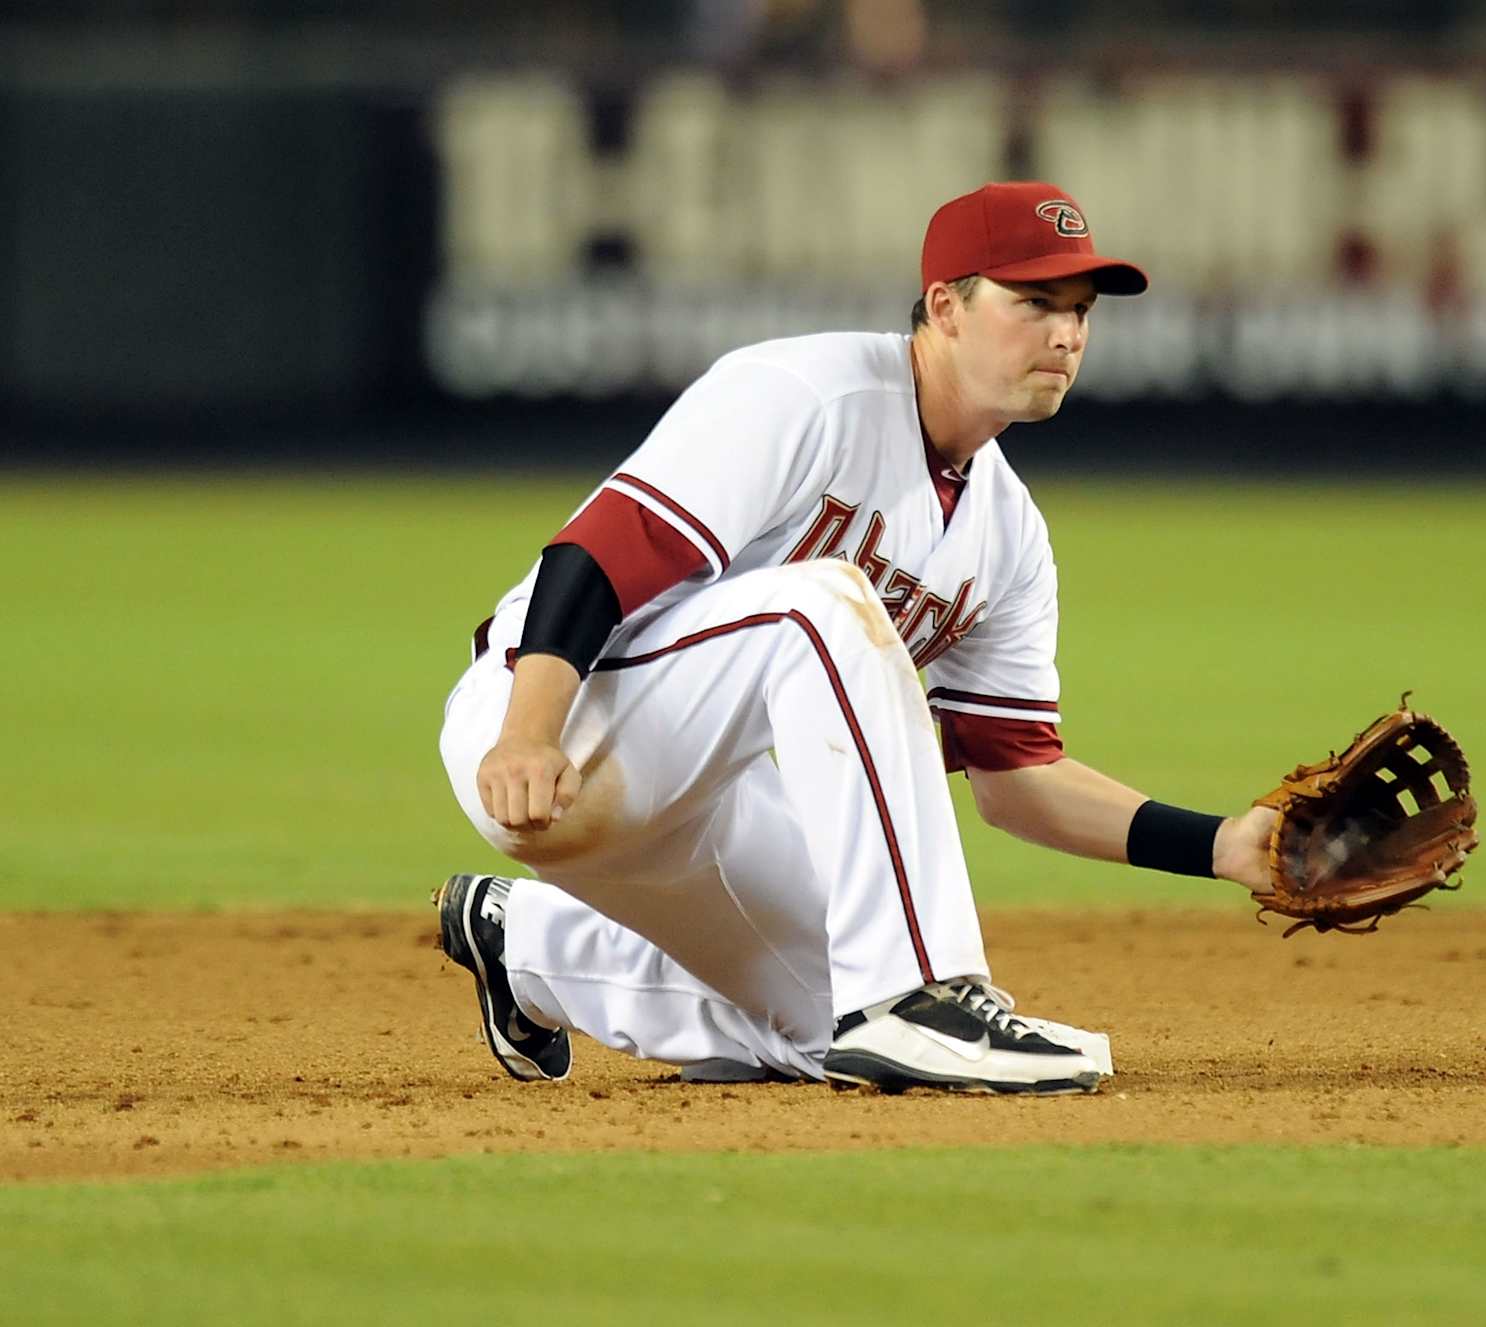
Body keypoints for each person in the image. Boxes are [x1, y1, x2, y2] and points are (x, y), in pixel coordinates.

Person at [435, 181, 1275, 1096]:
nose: (1066, 335)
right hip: (563, 719)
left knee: (827, 1032)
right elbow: (600, 552)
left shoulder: (1010, 533)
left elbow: (1018, 777)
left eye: (1080, 311)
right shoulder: (808, 393)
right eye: (1034, 303)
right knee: (823, 604)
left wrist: (1225, 844)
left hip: (711, 792)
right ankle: (921, 995)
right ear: (947, 307)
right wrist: (526, 730)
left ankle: (530, 947)